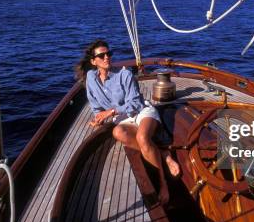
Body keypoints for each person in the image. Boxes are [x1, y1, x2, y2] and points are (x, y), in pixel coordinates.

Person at [75, 39, 180, 204]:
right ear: (93, 61)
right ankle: (163, 154)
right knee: (117, 132)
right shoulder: (90, 78)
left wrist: (110, 112)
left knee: (143, 139)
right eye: (101, 55)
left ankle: (163, 183)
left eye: (108, 54)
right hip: (122, 120)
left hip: (141, 112)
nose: (106, 57)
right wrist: (98, 119)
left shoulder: (125, 74)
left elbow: (135, 104)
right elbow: (96, 107)